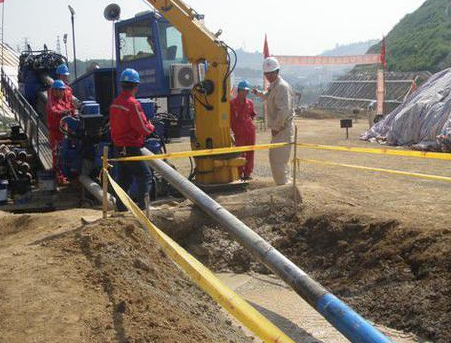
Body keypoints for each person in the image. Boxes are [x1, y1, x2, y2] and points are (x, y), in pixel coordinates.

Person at [110, 68, 155, 212]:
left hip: (118, 147)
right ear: (136, 86)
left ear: (122, 85)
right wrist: (151, 126)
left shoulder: (115, 103)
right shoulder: (133, 104)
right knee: (145, 175)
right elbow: (143, 128)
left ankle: (121, 208)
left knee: (124, 179)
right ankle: (144, 207)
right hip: (131, 147)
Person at [253, 57, 295, 185]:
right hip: (280, 129)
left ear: (277, 71)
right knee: (277, 160)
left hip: (283, 128)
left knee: (278, 161)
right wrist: (259, 93)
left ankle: (285, 189)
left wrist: (276, 127)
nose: (269, 76)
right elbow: (268, 95)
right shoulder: (274, 85)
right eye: (266, 74)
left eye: (271, 73)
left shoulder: (282, 87)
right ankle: (285, 187)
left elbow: (284, 111)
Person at [45, 80, 75, 185]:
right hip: (55, 133)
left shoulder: (62, 101)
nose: (63, 93)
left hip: (63, 132)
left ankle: (64, 175)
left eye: (63, 91)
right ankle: (58, 178)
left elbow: (70, 109)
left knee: (63, 154)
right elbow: (53, 111)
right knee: (57, 155)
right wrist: (63, 113)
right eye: (61, 91)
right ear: (55, 91)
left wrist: (73, 112)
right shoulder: (51, 102)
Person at [230, 80, 257, 180]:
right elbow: (231, 120)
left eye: (246, 91)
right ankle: (239, 173)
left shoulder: (249, 103)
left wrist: (249, 125)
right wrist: (233, 131)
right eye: (243, 90)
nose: (244, 93)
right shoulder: (232, 104)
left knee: (250, 153)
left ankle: (247, 173)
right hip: (239, 133)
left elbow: (252, 115)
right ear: (238, 91)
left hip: (250, 132)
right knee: (240, 153)